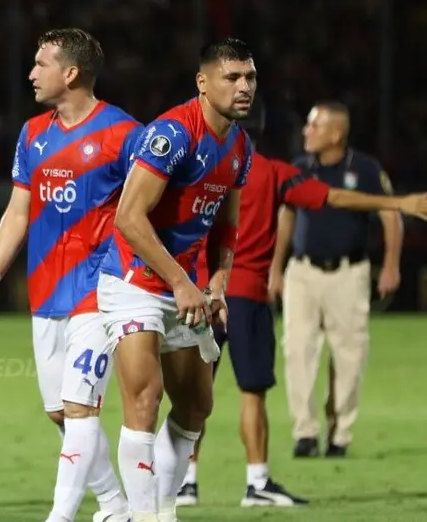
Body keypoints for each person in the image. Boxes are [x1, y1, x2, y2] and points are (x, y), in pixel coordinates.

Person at [178, 119, 427, 507]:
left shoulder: (195, 167)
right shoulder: (276, 173)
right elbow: (334, 198)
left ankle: (183, 483)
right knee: (252, 394)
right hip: (245, 296)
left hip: (198, 294)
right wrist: (400, 203)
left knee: (192, 393)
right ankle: (257, 482)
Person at [0, 28, 136, 522]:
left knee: (81, 406)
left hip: (100, 290)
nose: (31, 73)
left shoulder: (125, 135)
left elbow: (149, 209)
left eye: (40, 64)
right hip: (46, 293)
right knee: (60, 412)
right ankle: (114, 505)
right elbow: (18, 211)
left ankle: (60, 516)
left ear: (70, 73)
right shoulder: (32, 134)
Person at [97, 38, 255, 522]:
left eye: (249, 77)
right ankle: (144, 516)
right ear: (203, 83)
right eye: (232, 77)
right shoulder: (173, 133)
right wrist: (181, 282)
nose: (244, 86)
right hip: (134, 282)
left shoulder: (240, 146)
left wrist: (218, 280)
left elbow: (226, 220)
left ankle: (161, 509)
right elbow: (128, 217)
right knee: (145, 400)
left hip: (183, 286)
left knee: (197, 407)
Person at [275, 101, 401, 459]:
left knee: (348, 355)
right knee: (297, 350)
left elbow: (391, 216)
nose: (306, 132)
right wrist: (275, 268)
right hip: (302, 272)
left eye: (314, 126)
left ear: (336, 134)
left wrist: (391, 265)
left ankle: (340, 433)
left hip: (348, 273)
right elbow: (286, 217)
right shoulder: (299, 169)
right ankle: (305, 433)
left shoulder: (364, 169)